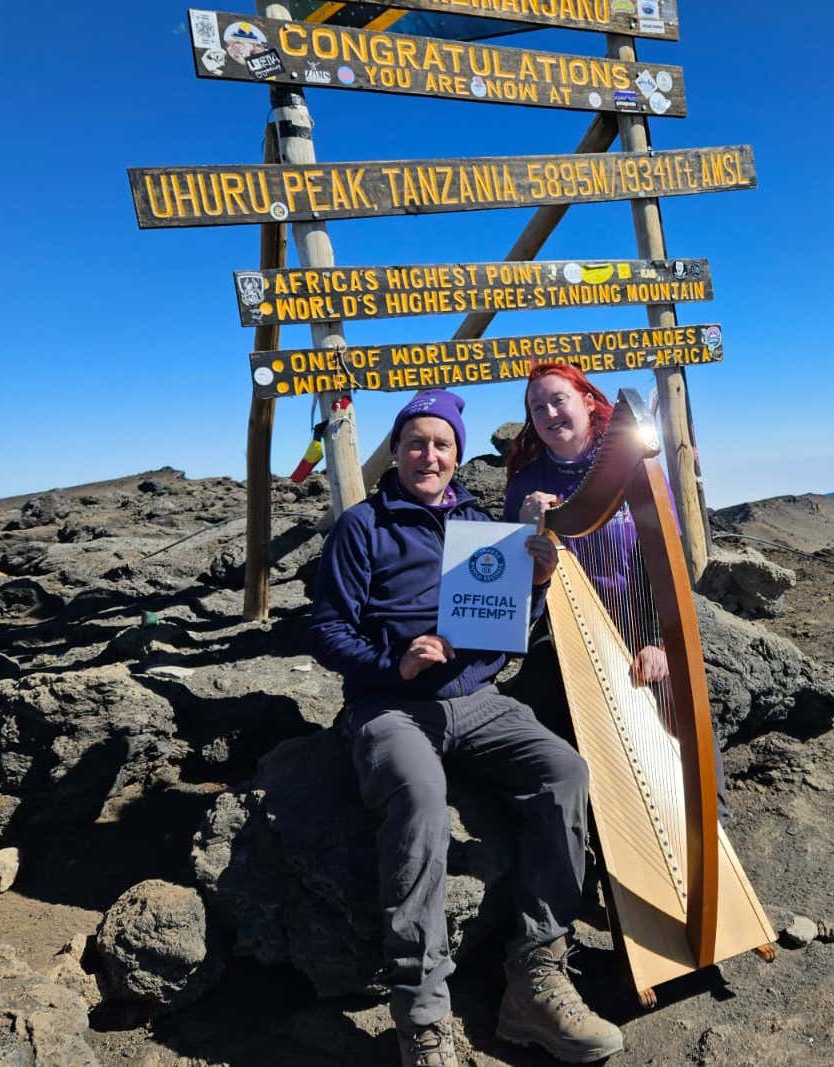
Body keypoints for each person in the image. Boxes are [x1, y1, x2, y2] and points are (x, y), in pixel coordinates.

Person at [311, 390, 624, 1067]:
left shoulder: (481, 524)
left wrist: (536, 585)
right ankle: (423, 1016)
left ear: (457, 455)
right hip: (389, 706)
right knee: (421, 799)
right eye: (416, 442)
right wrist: (391, 660)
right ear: (395, 452)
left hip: (476, 699)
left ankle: (534, 977)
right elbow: (327, 630)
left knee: (564, 770)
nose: (429, 454)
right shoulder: (361, 526)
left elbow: (507, 630)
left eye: (442, 444)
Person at [501, 364, 725, 817]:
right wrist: (521, 528)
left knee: (680, 695)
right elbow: (511, 587)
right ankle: (602, 822)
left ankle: (713, 819)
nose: (549, 413)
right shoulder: (526, 483)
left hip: (642, 624)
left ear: (587, 401)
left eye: (558, 399)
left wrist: (661, 642)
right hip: (562, 634)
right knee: (553, 705)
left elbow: (668, 565)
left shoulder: (631, 467)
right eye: (536, 407)